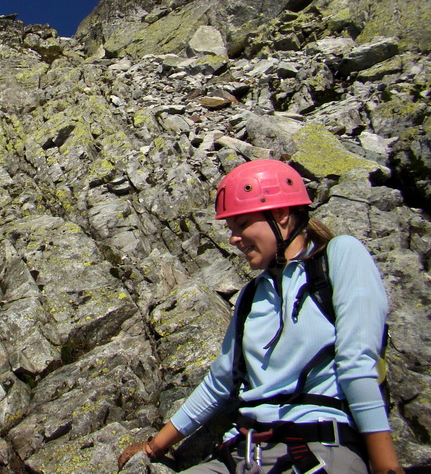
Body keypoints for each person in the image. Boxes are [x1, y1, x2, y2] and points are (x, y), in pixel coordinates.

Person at [118, 160, 403, 474]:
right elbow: (219, 382)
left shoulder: (339, 256)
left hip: (319, 447)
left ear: (281, 215)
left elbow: (357, 362)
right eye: (231, 229)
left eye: (241, 225)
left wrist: (386, 466)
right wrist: (154, 446)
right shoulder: (252, 295)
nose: (234, 238)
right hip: (241, 452)